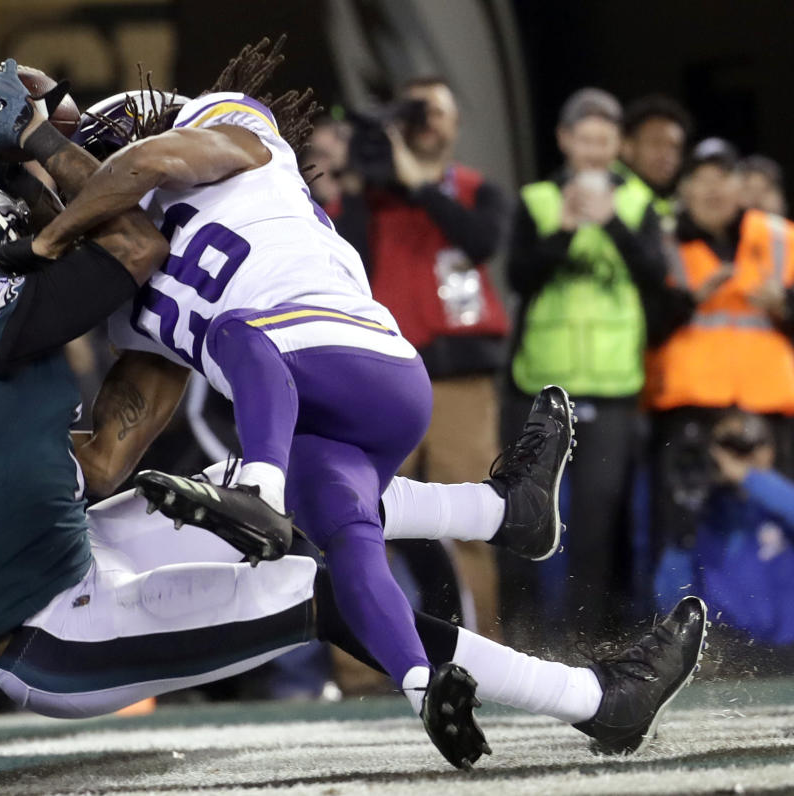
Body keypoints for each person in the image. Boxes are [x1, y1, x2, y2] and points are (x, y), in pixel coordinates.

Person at [0, 53, 705, 766]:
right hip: (52, 624)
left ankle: (494, 510)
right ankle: (594, 698)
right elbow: (122, 239)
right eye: (12, 232)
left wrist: (6, 458)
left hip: (62, 546)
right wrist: (38, 164)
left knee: (252, 489)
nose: (36, 229)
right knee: (320, 586)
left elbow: (101, 462)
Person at [9, 41, 521, 740]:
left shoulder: (230, 124)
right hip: (328, 406)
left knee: (238, 333)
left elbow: (148, 163)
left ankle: (263, 493)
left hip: (354, 352)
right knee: (349, 541)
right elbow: (102, 463)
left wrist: (47, 226)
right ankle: (428, 686)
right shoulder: (135, 312)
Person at [337, 76, 512, 640]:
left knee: (472, 518)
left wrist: (419, 183)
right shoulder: (366, 199)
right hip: (380, 374)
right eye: (414, 113)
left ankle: (485, 655)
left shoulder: (476, 189)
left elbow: (482, 240)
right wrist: (365, 183)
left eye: (434, 111)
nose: (425, 123)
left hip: (460, 376)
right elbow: (347, 261)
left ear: (457, 123)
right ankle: (364, 664)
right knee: (358, 517)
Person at [504, 88, 668, 641]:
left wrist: (613, 224)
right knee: (528, 515)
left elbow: (655, 278)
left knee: (597, 522)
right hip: (542, 385)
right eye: (585, 138)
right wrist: (568, 228)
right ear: (565, 140)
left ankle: (585, 641)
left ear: (617, 144)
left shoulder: (642, 203)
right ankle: (528, 634)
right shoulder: (536, 200)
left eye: (606, 140)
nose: (596, 150)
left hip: (615, 385)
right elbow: (518, 277)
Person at [644, 138, 794, 557]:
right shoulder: (662, 243)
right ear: (684, 189)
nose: (713, 189)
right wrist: (689, 299)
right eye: (701, 179)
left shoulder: (781, 237)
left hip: (769, 406)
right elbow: (646, 323)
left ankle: (778, 621)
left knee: (776, 529)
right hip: (689, 406)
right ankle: (681, 618)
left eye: (723, 177)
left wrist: (784, 305)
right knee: (684, 531)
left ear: (741, 186)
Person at [655, 411, 794, 667]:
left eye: (745, 449)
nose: (736, 460)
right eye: (726, 449)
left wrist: (750, 479)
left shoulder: (778, 502)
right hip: (728, 654)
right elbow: (667, 598)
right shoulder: (701, 508)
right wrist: (683, 530)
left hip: (787, 649)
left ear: (769, 451)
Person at [615, 94, 692, 222]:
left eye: (675, 147)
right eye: (656, 143)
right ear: (627, 147)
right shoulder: (607, 194)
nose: (667, 155)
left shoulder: (676, 207)